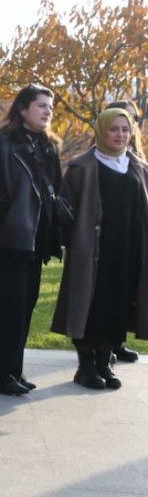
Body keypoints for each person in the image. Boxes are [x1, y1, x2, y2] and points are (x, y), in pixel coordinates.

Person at [0, 83, 63, 396]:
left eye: (50, 106)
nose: (48, 111)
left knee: (25, 308)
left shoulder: (47, 145)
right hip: (5, 241)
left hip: (34, 241)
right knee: (8, 310)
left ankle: (14, 371)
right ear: (22, 108)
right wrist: (4, 213)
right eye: (41, 105)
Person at [50, 107, 148, 388]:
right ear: (102, 131)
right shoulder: (82, 166)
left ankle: (105, 362)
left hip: (127, 250)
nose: (120, 135)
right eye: (114, 129)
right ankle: (86, 367)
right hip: (91, 250)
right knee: (89, 305)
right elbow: (66, 209)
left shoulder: (138, 168)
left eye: (125, 130)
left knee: (118, 304)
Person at [104, 99, 145, 363]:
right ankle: (99, 349)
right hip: (106, 237)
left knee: (127, 291)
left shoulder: (137, 161)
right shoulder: (97, 159)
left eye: (131, 122)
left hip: (133, 236)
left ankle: (117, 342)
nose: (125, 129)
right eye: (118, 123)